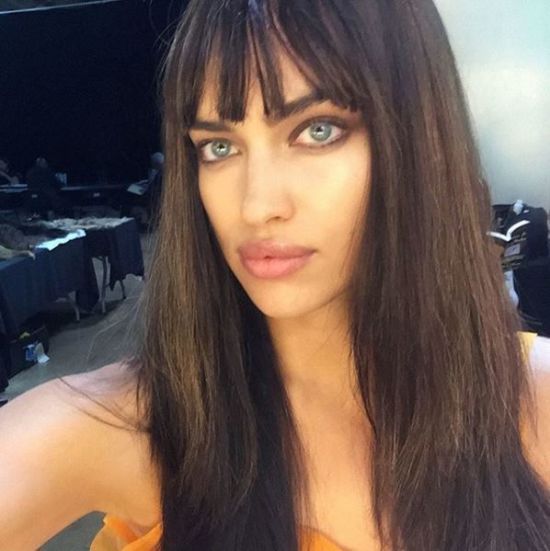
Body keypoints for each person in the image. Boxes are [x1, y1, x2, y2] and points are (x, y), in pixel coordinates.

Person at [1, 1, 550, 550]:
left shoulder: (535, 402)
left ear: (418, 139)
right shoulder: (117, 429)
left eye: (318, 131)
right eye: (219, 147)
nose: (257, 205)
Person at [121, 152, 164, 227]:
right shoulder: (159, 172)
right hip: (149, 192)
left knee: (129, 188)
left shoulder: (161, 174)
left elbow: (153, 190)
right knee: (129, 188)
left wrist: (144, 187)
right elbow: (151, 184)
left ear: (156, 164)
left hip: (150, 195)